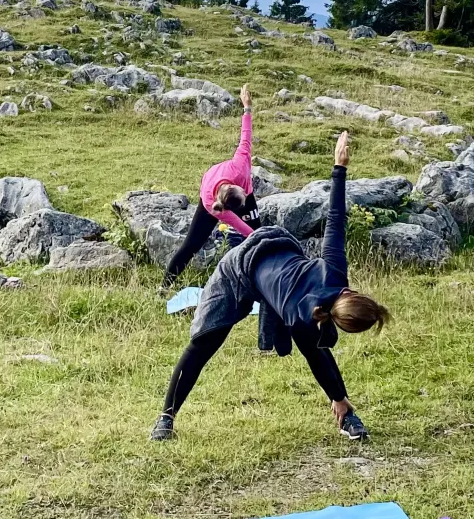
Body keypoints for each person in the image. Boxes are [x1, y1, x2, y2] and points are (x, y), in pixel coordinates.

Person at [153, 129, 387, 442]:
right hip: (241, 266)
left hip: (276, 272)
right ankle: (166, 417)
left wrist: (339, 167)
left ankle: (347, 418)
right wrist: (339, 167)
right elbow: (319, 358)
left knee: (304, 346)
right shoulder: (314, 299)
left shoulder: (317, 301)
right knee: (205, 340)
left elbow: (335, 219)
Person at [158, 84, 260, 294]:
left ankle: (261, 283)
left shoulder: (239, 165)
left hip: (235, 193)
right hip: (215, 200)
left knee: (258, 236)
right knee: (191, 245)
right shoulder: (212, 205)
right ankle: (164, 287)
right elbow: (242, 228)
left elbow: (246, 136)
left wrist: (247, 108)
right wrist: (258, 237)